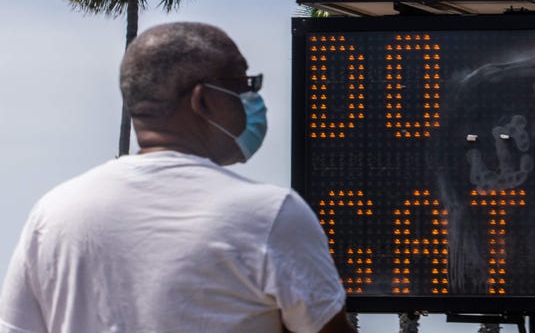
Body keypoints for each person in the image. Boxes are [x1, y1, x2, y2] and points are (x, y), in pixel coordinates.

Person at [0, 22, 355, 333]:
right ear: (203, 101)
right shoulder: (270, 215)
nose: (254, 99)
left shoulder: (55, 213)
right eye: (245, 84)